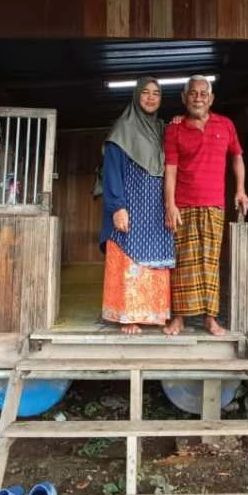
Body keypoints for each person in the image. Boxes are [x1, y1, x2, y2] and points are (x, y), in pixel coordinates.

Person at [163, 76, 248, 336]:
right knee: (182, 264)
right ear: (184, 98)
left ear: (211, 99)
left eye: (203, 94)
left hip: (214, 205)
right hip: (184, 205)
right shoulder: (174, 130)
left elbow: (237, 158)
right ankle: (179, 318)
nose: (198, 98)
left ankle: (210, 319)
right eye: (193, 93)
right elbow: (170, 170)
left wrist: (240, 190)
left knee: (210, 264)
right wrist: (170, 205)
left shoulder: (226, 125)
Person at [99, 77, 174, 334]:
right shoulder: (123, 129)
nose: (151, 98)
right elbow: (111, 172)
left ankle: (154, 312)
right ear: (135, 96)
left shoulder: (162, 130)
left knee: (155, 256)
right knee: (128, 254)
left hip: (155, 206)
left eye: (156, 94)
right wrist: (117, 206)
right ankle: (128, 315)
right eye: (145, 93)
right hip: (130, 204)